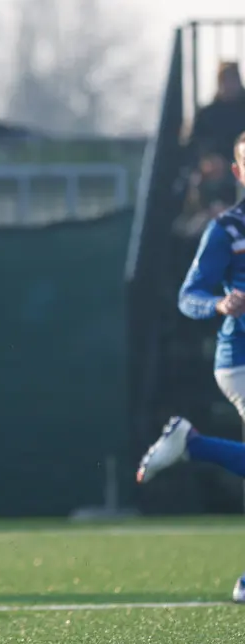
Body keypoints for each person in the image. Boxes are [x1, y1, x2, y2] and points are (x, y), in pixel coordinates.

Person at [137, 131, 245, 604]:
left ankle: (192, 443)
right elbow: (189, 295)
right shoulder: (227, 229)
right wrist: (220, 304)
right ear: (238, 172)